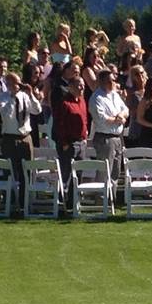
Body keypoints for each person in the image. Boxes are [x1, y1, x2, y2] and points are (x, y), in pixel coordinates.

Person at [0, 72, 41, 208]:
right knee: (10, 171)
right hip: (10, 137)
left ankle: (25, 202)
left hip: (25, 136)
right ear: (8, 83)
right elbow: (6, 114)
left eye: (18, 82)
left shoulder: (25, 96)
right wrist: (12, 96)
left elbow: (37, 110)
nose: (17, 85)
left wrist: (31, 94)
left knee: (26, 171)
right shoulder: (2, 97)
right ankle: (9, 202)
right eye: (14, 82)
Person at [53, 77, 88, 208]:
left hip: (81, 142)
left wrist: (85, 137)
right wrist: (64, 143)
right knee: (66, 174)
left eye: (83, 85)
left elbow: (84, 120)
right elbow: (59, 125)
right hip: (69, 144)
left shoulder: (82, 101)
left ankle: (73, 203)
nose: (82, 88)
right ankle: (61, 204)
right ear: (71, 87)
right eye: (79, 86)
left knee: (78, 174)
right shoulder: (64, 103)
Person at [88, 70, 129, 181]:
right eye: (109, 81)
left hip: (117, 137)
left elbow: (126, 109)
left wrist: (121, 114)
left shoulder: (114, 95)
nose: (113, 83)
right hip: (104, 139)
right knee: (104, 173)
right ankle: (102, 198)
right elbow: (101, 119)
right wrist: (117, 119)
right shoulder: (96, 98)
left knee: (115, 172)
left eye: (113, 80)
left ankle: (112, 198)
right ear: (101, 82)